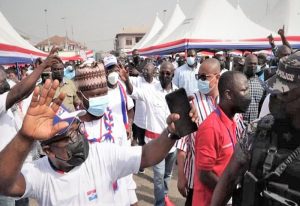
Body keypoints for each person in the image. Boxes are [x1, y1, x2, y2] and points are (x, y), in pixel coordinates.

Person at [0, 78, 197, 206]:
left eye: (77, 129)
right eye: (68, 137)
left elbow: (146, 155)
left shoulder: (102, 154)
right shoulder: (40, 173)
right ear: (49, 150)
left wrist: (171, 134)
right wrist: (24, 137)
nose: (77, 138)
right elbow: (4, 184)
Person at [211, 51, 300, 206]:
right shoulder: (258, 129)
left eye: (284, 93)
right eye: (274, 90)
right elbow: (230, 177)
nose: (275, 97)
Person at [0, 48, 61, 206]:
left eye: (4, 79)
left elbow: (22, 92)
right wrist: (42, 66)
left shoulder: (6, 92)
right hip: (4, 174)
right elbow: (19, 92)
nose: (5, 83)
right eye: (1, 82)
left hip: (20, 169)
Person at [120, 61, 178, 206]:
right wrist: (127, 80)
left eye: (168, 73)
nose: (164, 76)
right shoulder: (151, 90)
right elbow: (134, 92)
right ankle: (160, 203)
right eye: (162, 73)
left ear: (173, 75)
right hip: (155, 142)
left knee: (167, 175)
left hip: (172, 143)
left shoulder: (178, 92)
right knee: (158, 176)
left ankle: (164, 195)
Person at [193, 71, 251, 206]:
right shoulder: (210, 128)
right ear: (228, 94)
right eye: (244, 90)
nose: (248, 96)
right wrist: (229, 192)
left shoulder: (232, 121)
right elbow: (204, 174)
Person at [175, 58, 221, 205]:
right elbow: (182, 143)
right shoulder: (191, 102)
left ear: (217, 77)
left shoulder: (227, 102)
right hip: (195, 180)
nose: (200, 80)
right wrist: (181, 176)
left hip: (220, 179)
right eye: (198, 76)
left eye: (204, 77)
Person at [130, 62, 159, 149]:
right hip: (140, 122)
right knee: (142, 144)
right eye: (144, 70)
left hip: (152, 122)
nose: (144, 72)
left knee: (152, 145)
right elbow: (127, 80)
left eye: (147, 70)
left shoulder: (158, 84)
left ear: (153, 73)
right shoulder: (138, 81)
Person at [242, 54, 265, 124]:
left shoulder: (261, 83)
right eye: (250, 63)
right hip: (239, 123)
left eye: (255, 64)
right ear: (245, 64)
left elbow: (261, 104)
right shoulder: (238, 81)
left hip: (254, 124)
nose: (252, 66)